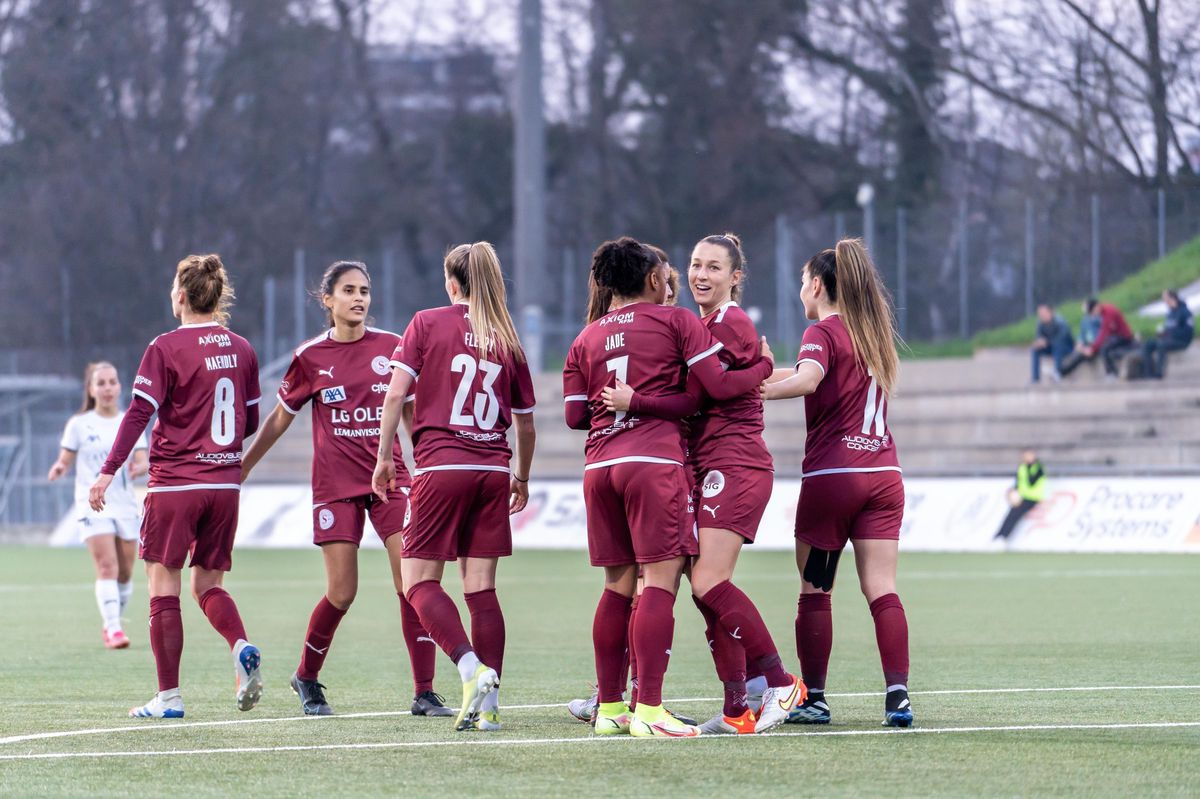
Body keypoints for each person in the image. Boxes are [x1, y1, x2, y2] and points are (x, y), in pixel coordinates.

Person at [562, 236, 778, 738]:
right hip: (653, 461)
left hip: (599, 467)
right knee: (659, 584)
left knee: (618, 588)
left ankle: (611, 707)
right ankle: (651, 711)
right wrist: (764, 367)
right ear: (656, 279)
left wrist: (615, 404)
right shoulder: (678, 320)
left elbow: (575, 416)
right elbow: (707, 394)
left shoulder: (585, 338)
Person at [240, 261, 449, 718]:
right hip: (335, 487)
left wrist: (429, 464)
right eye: (349, 290)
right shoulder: (310, 356)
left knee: (411, 583)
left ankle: (424, 691)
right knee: (342, 592)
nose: (359, 298)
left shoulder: (394, 347)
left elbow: (413, 417)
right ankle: (306, 677)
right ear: (328, 300)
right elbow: (279, 419)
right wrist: (246, 465)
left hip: (391, 480)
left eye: (365, 291)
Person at [89, 254, 263, 719]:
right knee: (207, 583)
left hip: (175, 484)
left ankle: (169, 697)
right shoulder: (243, 349)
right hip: (225, 485)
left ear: (181, 296)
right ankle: (240, 644)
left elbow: (139, 415)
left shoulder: (165, 348)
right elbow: (250, 422)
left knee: (162, 584)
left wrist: (109, 469)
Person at [372, 241, 536, 733]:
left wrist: (384, 458)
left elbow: (397, 394)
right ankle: (489, 710)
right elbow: (526, 427)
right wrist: (521, 477)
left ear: (451, 283)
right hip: (491, 470)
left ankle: (470, 668)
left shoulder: (426, 321)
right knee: (481, 589)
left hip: (442, 467)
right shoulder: (508, 337)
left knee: (418, 581)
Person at [761, 238, 913, 728]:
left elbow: (807, 379)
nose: (799, 290)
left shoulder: (821, 331)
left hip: (835, 479)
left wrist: (752, 394)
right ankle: (897, 697)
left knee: (814, 591)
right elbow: (813, 375)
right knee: (881, 588)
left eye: (803, 281)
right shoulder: (873, 334)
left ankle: (817, 698)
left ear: (819, 285)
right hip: (884, 475)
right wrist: (759, 377)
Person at [48, 362, 149, 649]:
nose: (107, 388)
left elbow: (142, 458)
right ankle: (114, 628)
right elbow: (65, 458)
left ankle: (114, 620)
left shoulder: (130, 421)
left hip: (125, 504)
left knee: (126, 572)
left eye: (112, 382)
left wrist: (139, 467)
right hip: (91, 502)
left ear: (120, 386)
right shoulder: (79, 424)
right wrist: (59, 467)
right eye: (101, 383)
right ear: (91, 390)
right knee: (107, 565)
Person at [1060, 298, 1134, 378]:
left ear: (1096, 307)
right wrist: (1087, 346)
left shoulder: (1109, 311)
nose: (1093, 315)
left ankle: (1111, 373)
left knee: (1104, 348)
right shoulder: (1099, 314)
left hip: (1123, 337)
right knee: (1084, 353)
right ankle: (1063, 371)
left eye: (1092, 313)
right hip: (1112, 336)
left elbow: (1104, 332)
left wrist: (1093, 348)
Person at [1140, 290, 1194, 379]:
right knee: (1148, 344)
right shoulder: (1170, 313)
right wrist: (1163, 333)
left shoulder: (1185, 312)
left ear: (1172, 298)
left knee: (1161, 345)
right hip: (1169, 339)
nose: (1164, 301)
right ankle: (1148, 372)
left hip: (1181, 341)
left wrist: (1172, 334)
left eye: (1165, 298)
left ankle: (1159, 373)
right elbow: (1168, 328)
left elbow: (1188, 332)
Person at [994, 449, 1046, 541]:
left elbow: (1031, 482)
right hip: (1022, 497)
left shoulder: (1038, 467)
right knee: (1010, 516)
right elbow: (1018, 482)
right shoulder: (1022, 467)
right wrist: (1013, 493)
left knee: (1013, 516)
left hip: (1032, 498)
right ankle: (999, 537)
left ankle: (1002, 537)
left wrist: (1029, 466)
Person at [1029, 304, 1073, 383]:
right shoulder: (1040, 323)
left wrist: (1047, 341)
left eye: (1043, 313)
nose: (1041, 316)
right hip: (1051, 347)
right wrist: (1039, 342)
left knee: (1057, 346)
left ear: (1050, 312)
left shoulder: (1060, 322)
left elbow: (1062, 338)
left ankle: (1057, 373)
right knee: (1035, 349)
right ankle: (1035, 378)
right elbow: (1039, 336)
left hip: (1066, 348)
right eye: (1039, 314)